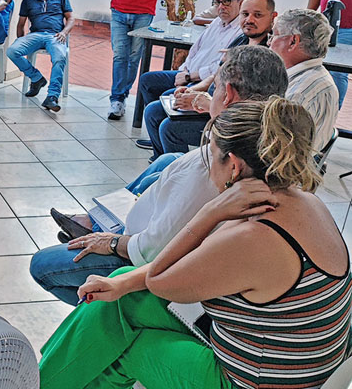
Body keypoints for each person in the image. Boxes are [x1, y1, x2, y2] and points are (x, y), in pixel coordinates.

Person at [34, 97, 351, 389]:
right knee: (125, 287)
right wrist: (123, 283)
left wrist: (209, 212)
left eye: (209, 152)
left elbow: (159, 278)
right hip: (288, 379)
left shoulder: (252, 235)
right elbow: (186, 265)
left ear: (234, 165)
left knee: (126, 346)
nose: (205, 163)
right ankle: (41, 387)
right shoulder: (300, 201)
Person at [32, 45, 288, 305]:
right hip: (153, 229)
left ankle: (105, 308)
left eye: (216, 88)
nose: (213, 92)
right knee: (167, 160)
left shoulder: (215, 170)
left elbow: (150, 254)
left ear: (229, 94)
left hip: (137, 254)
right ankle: (96, 221)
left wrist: (111, 244)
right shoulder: (266, 142)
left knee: (41, 266)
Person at [140, 0, 277, 159]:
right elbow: (216, 74)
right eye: (245, 14)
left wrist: (205, 103)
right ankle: (161, 164)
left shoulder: (267, 55)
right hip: (210, 101)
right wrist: (194, 89)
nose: (249, 20)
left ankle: (180, 171)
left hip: (226, 117)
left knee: (169, 128)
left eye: (257, 15)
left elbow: (247, 108)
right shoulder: (241, 40)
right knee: (153, 111)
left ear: (272, 17)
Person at [134, 0, 244, 157]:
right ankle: (158, 146)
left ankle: (166, 151)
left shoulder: (240, 31)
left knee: (164, 100)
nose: (221, 6)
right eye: (218, 2)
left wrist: (189, 78)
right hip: (187, 73)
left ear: (240, 2)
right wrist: (183, 71)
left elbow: (218, 68)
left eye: (227, 1)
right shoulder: (216, 22)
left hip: (200, 80)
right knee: (148, 80)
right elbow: (195, 49)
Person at [268, 8, 339, 151]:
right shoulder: (312, 76)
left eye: (274, 35)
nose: (269, 42)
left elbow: (277, 150)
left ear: (293, 41)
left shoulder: (299, 92)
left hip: (282, 169)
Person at [6, 0, 74, 111]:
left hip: (55, 35)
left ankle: (52, 96)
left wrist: (64, 32)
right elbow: (21, 24)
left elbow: (71, 18)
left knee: (59, 57)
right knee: (12, 51)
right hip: (35, 35)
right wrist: (21, 39)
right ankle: (36, 78)